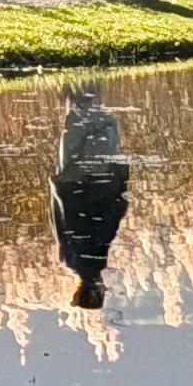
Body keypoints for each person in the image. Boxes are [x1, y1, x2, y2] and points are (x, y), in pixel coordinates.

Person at [50, 81, 130, 309]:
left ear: (95, 291)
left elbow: (106, 222)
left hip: (91, 184)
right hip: (69, 183)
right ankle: (77, 80)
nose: (105, 287)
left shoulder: (94, 262)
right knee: (78, 123)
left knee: (97, 127)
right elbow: (59, 220)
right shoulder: (68, 261)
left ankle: (89, 78)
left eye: (102, 292)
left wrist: (119, 197)